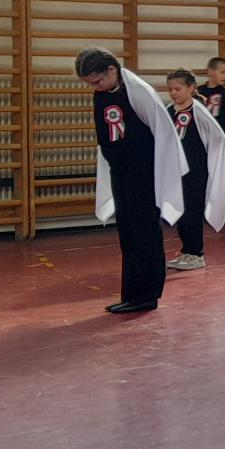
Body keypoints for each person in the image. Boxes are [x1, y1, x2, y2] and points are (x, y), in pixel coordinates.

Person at [75, 49, 187, 314]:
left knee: (144, 230)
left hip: (142, 169)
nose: (95, 87)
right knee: (127, 231)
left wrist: (161, 172)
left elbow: (162, 131)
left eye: (97, 81)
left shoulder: (138, 91)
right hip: (119, 168)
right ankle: (131, 292)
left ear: (112, 71)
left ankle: (147, 294)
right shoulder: (102, 93)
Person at [165, 68, 225, 272]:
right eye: (170, 89)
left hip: (195, 169)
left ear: (191, 88)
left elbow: (217, 137)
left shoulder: (198, 110)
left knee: (192, 211)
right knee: (180, 211)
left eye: (178, 89)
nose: (173, 93)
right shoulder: (169, 110)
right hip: (176, 169)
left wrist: (212, 162)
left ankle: (196, 253)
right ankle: (187, 250)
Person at [198, 56, 225, 206]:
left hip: (216, 140)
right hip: (199, 140)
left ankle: (224, 207)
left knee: (216, 173)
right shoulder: (198, 92)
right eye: (222, 72)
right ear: (210, 72)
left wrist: (216, 132)